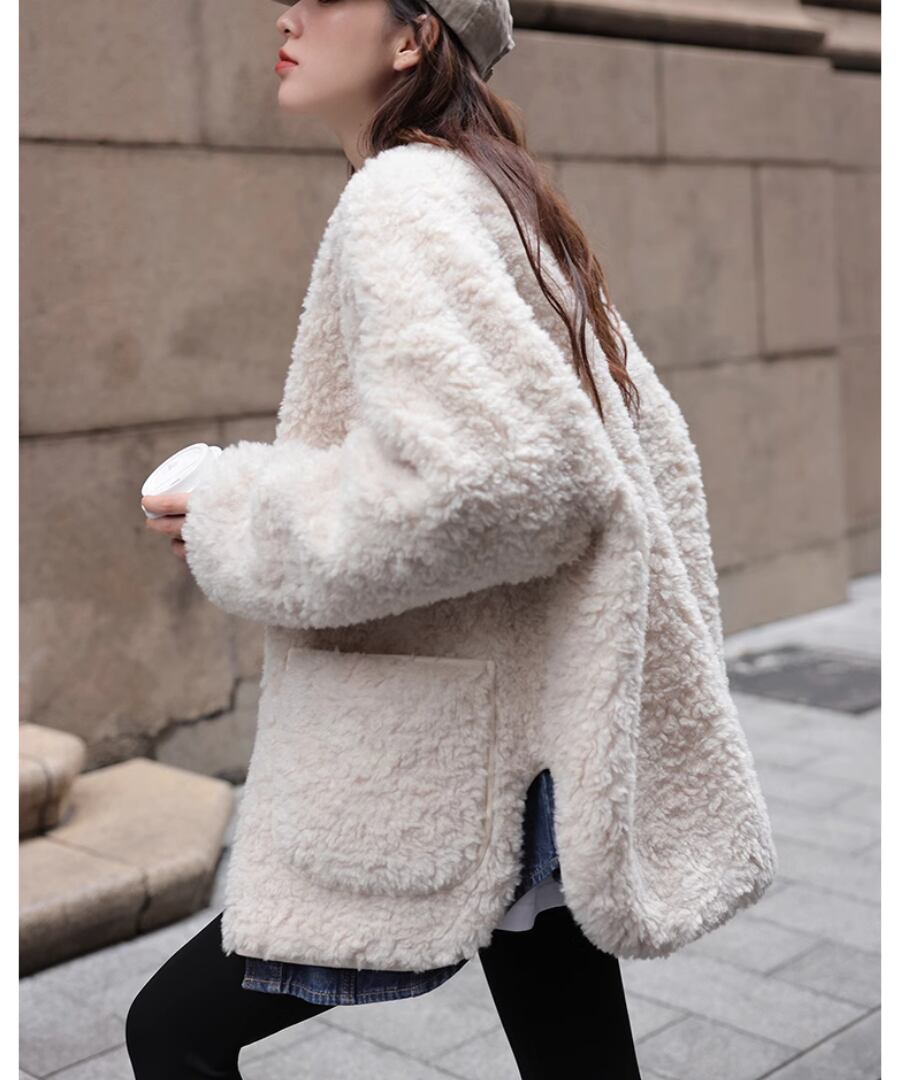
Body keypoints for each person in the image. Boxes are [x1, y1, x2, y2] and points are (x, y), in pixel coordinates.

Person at [132, 0, 777, 1075]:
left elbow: (497, 483)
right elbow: (636, 455)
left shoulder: (403, 198)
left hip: (461, 764)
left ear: (413, 37)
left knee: (170, 1033)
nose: (287, 12)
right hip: (532, 742)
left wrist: (237, 511)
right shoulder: (491, 194)